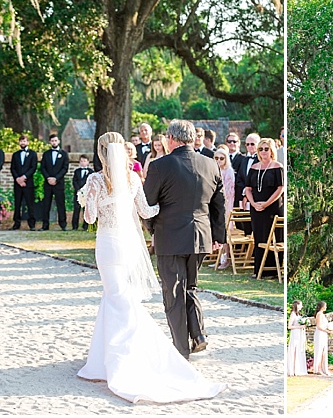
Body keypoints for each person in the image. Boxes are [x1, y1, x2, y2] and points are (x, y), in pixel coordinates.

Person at [77, 131, 226, 403]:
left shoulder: (95, 180)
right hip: (130, 245)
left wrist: (84, 199)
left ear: (101, 152)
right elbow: (147, 211)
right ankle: (101, 359)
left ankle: (131, 354)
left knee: (117, 297)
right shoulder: (133, 178)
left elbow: (90, 218)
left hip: (108, 244)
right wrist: (174, 207)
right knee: (118, 297)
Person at [143, 119, 226, 360]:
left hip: (170, 237)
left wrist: (153, 229)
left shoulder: (161, 166)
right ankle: (198, 334)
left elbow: (148, 205)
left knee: (173, 292)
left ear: (171, 139)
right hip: (200, 236)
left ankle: (181, 348)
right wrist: (218, 236)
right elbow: (219, 205)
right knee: (190, 286)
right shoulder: (211, 165)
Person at [244, 137, 284, 278]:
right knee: (259, 237)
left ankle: (273, 271)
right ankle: (259, 270)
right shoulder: (254, 167)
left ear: (271, 150)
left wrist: (266, 203)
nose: (263, 151)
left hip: (273, 207)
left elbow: (281, 188)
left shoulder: (277, 167)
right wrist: (254, 203)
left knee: (273, 237)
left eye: (266, 149)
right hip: (256, 208)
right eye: (260, 149)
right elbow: (248, 188)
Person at [40, 134, 69, 231]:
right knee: (46, 204)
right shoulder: (46, 154)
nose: (54, 142)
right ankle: (45, 225)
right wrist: (48, 178)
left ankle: (63, 224)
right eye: (52, 141)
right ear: (50, 142)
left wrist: (56, 178)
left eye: (55, 140)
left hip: (59, 183)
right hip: (48, 183)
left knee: (60, 204)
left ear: (59, 141)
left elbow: (65, 168)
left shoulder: (64, 154)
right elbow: (43, 167)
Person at [213, 146, 234, 270]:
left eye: (221, 158)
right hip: (215, 203)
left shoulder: (229, 171)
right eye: (216, 158)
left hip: (226, 204)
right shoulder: (213, 170)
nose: (219, 160)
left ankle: (226, 259)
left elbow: (230, 191)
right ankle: (219, 258)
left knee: (225, 232)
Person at [10, 134, 38, 231]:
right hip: (17, 183)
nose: (23, 143)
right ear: (19, 142)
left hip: (28, 183)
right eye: (21, 141)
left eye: (24, 141)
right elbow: (12, 168)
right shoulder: (15, 154)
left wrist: (24, 177)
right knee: (17, 204)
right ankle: (16, 224)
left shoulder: (33, 154)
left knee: (30, 204)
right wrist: (18, 178)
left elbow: (33, 167)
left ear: (28, 142)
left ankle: (32, 224)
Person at [71, 155, 93, 230]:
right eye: (81, 161)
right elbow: (74, 181)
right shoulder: (77, 171)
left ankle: (85, 226)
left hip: (87, 193)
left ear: (88, 162)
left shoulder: (91, 172)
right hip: (78, 193)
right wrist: (78, 189)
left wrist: (85, 190)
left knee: (86, 210)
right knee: (76, 209)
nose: (83, 162)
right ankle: (74, 226)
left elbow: (90, 182)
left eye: (84, 161)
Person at [287, 300, 308, 376]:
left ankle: (298, 368)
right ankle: (292, 369)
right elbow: (289, 326)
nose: (302, 306)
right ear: (297, 305)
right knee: (294, 349)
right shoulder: (293, 314)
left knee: (299, 349)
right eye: (301, 305)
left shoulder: (299, 314)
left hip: (300, 333)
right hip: (295, 333)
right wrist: (299, 327)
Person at [225, 132, 245, 207]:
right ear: (226, 143)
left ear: (239, 143)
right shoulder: (222, 158)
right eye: (229, 141)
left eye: (234, 141)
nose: (232, 143)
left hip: (238, 193)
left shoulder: (244, 158)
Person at [313, 301, 332, 376]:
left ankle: (323, 368)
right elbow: (319, 326)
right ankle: (318, 369)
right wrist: (327, 331)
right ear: (322, 306)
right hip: (320, 334)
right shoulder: (319, 314)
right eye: (325, 305)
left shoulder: (322, 314)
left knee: (324, 351)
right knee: (320, 351)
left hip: (324, 334)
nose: (326, 307)